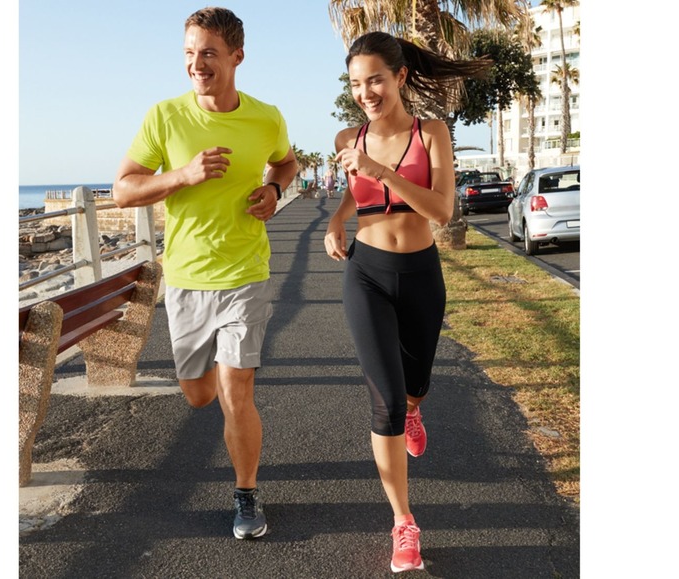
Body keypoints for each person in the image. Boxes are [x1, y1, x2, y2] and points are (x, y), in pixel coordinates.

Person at [112, 7, 297, 540]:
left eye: (209, 52)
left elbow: (286, 162)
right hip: (187, 278)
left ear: (237, 56)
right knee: (198, 394)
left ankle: (246, 495)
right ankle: (218, 370)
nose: (197, 63)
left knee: (237, 392)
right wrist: (182, 175)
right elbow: (123, 189)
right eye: (190, 53)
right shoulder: (165, 117)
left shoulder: (266, 117)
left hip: (245, 273)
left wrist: (275, 189)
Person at [324, 31, 489, 573]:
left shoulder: (431, 132)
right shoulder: (348, 136)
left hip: (420, 275)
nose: (365, 92)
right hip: (366, 275)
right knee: (386, 405)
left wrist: (382, 171)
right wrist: (336, 219)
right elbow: (354, 190)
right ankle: (403, 522)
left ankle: (416, 407)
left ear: (399, 77)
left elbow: (442, 211)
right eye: (355, 83)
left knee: (414, 388)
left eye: (375, 80)